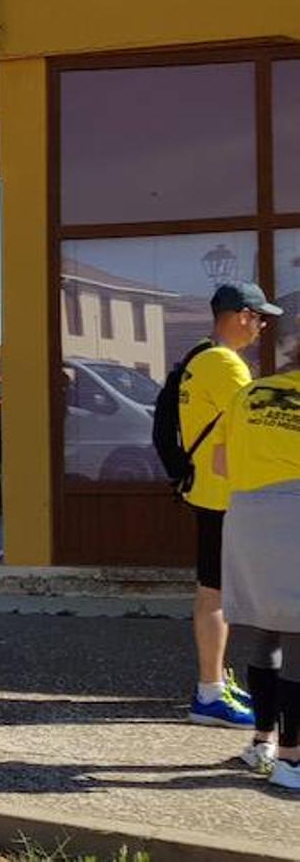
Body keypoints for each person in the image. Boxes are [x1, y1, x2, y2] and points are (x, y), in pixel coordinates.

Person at [181, 283, 281, 728]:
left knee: (214, 590)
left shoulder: (201, 358)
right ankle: (209, 694)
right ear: (241, 315)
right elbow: (256, 428)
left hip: (209, 490)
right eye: (259, 317)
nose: (262, 326)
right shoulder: (225, 365)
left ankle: (215, 683)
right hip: (224, 495)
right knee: (216, 594)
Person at [214, 329, 300, 789]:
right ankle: (292, 762)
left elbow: (220, 464)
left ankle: (263, 742)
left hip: (246, 514)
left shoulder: (249, 394)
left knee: (268, 632)